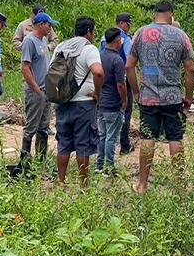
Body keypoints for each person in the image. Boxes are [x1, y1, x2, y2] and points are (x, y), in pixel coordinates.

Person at [126, 0, 194, 194]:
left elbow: (129, 66)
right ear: (171, 13)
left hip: (148, 97)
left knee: (148, 138)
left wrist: (136, 92)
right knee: (175, 139)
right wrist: (188, 97)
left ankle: (142, 184)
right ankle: (179, 186)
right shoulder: (181, 35)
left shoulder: (140, 33)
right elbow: (190, 69)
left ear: (154, 14)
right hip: (173, 97)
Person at [53, 16, 104, 188]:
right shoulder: (89, 49)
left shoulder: (61, 47)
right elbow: (98, 72)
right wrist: (97, 93)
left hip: (62, 102)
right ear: (89, 32)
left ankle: (61, 181)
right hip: (84, 104)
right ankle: (83, 184)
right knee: (83, 145)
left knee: (64, 143)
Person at [19, 12, 58, 172]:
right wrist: (36, 89)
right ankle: (25, 160)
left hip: (45, 90)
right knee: (31, 127)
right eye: (49, 24)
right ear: (41, 24)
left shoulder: (43, 40)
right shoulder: (29, 41)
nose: (51, 28)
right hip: (36, 92)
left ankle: (41, 159)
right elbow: (25, 67)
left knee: (43, 127)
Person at [99, 12, 134, 155]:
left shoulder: (104, 37)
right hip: (120, 77)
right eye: (128, 23)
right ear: (121, 23)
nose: (129, 27)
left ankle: (101, 162)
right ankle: (124, 144)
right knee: (124, 109)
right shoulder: (125, 39)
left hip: (104, 77)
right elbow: (129, 62)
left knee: (103, 127)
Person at [96, 28, 128, 173]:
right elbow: (120, 84)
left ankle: (99, 165)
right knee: (111, 137)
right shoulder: (117, 60)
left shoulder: (99, 56)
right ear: (117, 41)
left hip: (101, 102)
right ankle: (109, 167)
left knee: (102, 135)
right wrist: (124, 99)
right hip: (113, 104)